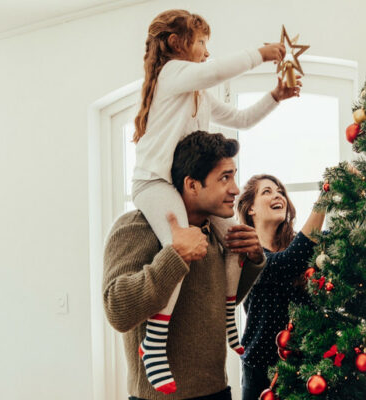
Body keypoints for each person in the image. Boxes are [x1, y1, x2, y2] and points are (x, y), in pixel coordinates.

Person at [131, 9, 300, 393]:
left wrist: (275, 96)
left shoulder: (199, 95)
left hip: (180, 185)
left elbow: (240, 119)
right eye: (202, 43)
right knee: (183, 245)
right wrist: (261, 53)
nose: (207, 52)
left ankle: (228, 317)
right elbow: (215, 71)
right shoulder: (171, 74)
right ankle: (154, 341)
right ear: (177, 44)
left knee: (235, 238)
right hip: (154, 183)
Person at [103, 131, 266, 399]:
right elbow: (118, 311)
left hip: (217, 392)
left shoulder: (214, 231)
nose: (236, 189)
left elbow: (211, 305)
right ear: (192, 185)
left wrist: (252, 258)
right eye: (225, 177)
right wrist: (174, 256)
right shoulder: (136, 227)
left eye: (234, 176)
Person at [235, 174, 326, 400]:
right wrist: (326, 197)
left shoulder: (303, 248)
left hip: (309, 369)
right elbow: (285, 264)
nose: (278, 195)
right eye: (267, 192)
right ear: (250, 209)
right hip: (262, 374)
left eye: (280, 191)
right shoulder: (247, 254)